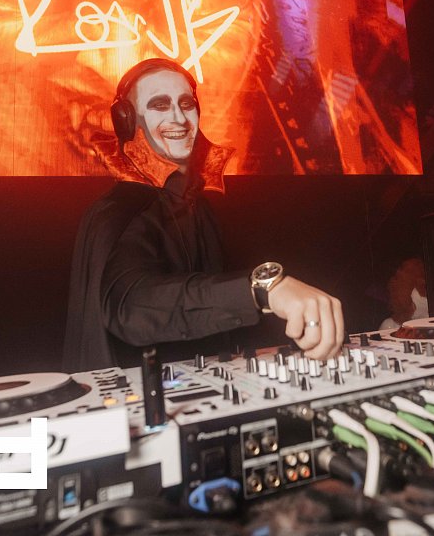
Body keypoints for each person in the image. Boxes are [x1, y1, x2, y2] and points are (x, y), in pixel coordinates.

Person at [62, 58, 344, 370]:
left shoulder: (198, 205)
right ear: (127, 121)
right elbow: (131, 304)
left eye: (186, 104)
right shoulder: (120, 211)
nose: (178, 117)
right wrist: (261, 289)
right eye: (159, 105)